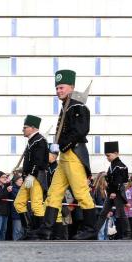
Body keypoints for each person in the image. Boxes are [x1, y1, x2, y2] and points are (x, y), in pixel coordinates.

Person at [28, 70, 97, 240]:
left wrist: (63, 144)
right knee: (54, 193)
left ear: (72, 87)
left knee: (81, 193)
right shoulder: (67, 106)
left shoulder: (77, 106)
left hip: (73, 154)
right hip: (65, 157)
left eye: (61, 87)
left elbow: (81, 130)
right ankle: (46, 229)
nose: (58, 91)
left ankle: (90, 229)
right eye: (57, 88)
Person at [10, 115, 50, 240]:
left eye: (25, 127)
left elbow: (38, 161)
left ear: (33, 128)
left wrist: (32, 174)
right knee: (18, 203)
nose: (23, 130)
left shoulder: (39, 140)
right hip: (29, 176)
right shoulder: (33, 140)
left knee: (36, 205)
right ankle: (30, 230)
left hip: (36, 177)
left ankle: (40, 233)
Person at [99, 141, 132, 240]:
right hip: (112, 192)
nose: (107, 158)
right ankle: (95, 231)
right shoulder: (113, 165)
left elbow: (119, 181)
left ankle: (127, 234)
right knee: (104, 213)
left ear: (116, 153)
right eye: (106, 156)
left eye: (109, 155)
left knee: (121, 214)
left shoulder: (119, 165)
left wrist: (113, 191)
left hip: (116, 192)